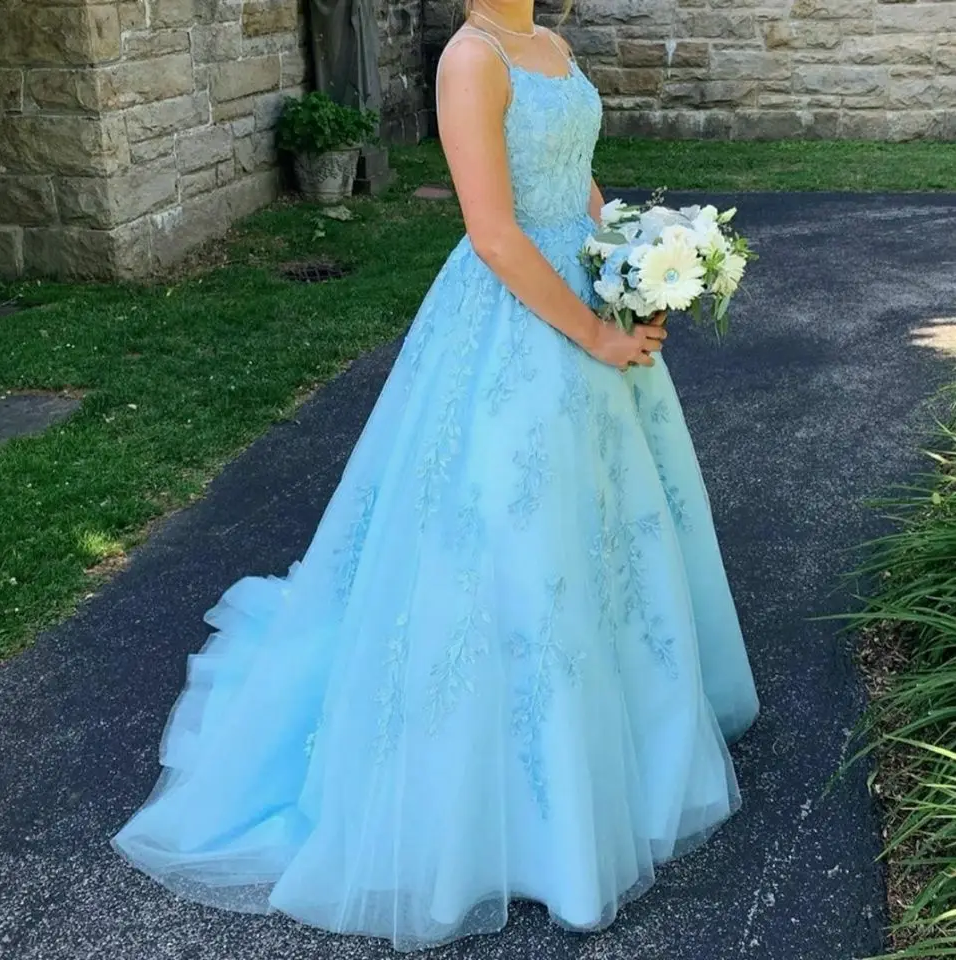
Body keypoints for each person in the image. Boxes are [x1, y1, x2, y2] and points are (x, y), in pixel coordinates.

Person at [112, 0, 761, 951]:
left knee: (604, 526)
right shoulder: (472, 57)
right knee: (510, 532)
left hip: (586, 288)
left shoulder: (549, 43)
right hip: (516, 316)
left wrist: (635, 252)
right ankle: (520, 803)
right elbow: (493, 233)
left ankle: (630, 736)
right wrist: (590, 332)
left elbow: (576, 180)